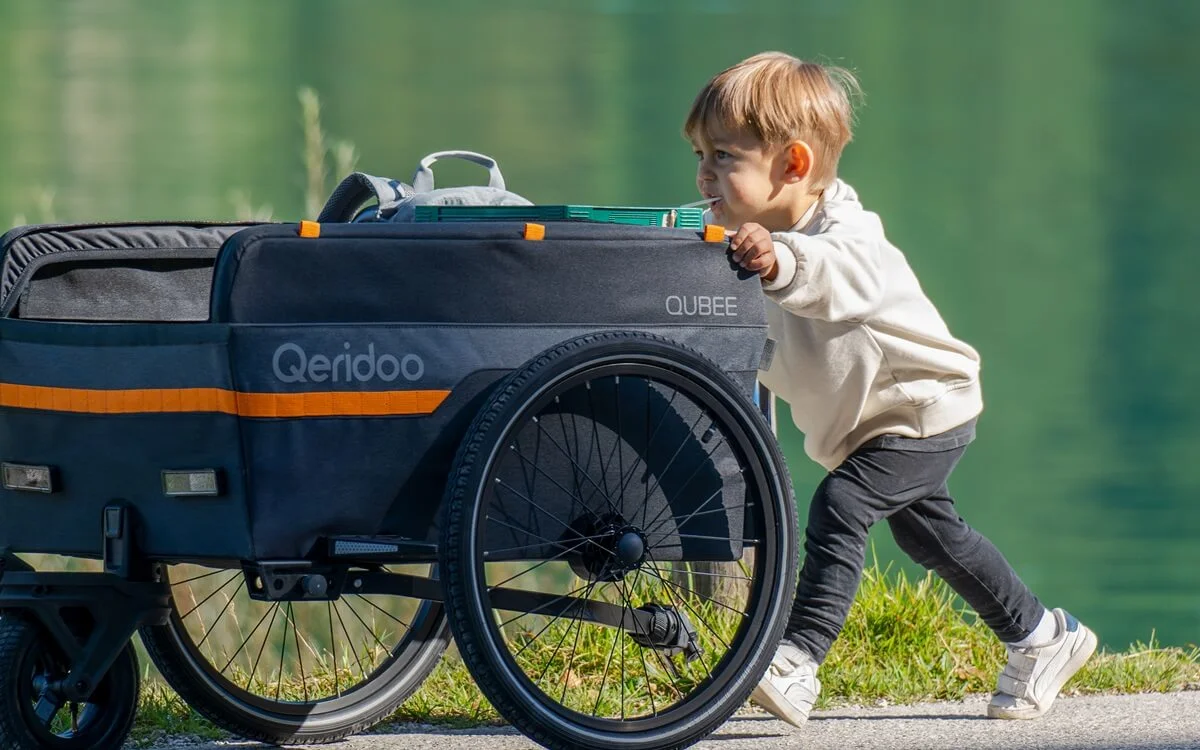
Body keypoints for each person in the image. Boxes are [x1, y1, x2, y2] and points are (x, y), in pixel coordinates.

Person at [684, 51, 1097, 727]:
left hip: (923, 403)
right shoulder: (746, 240)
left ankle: (799, 660)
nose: (704, 173)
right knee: (933, 538)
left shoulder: (844, 234)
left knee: (842, 505)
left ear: (792, 165)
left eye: (724, 155)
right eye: (700, 153)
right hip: (867, 424)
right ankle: (1042, 637)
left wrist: (776, 258)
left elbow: (838, 277)